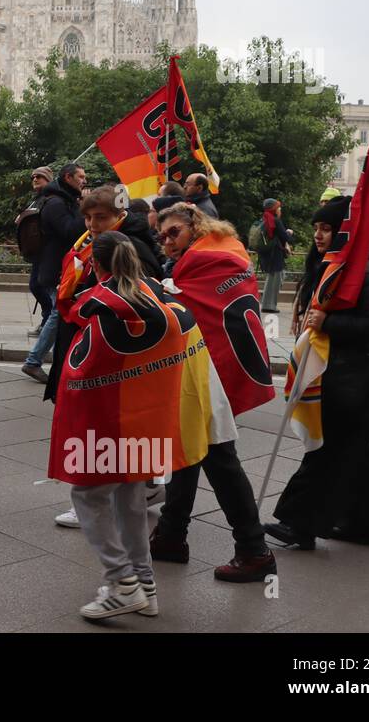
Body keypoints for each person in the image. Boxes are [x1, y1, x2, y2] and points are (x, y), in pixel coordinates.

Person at [48, 231, 209, 621]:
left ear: (98, 266)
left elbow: (79, 340)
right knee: (129, 498)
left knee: (88, 495)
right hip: (148, 417)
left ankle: (122, 582)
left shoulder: (103, 304)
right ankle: (144, 584)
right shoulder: (157, 294)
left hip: (109, 420)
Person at [150, 202, 277, 581]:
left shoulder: (203, 261)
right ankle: (172, 535)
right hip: (206, 369)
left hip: (210, 373)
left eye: (174, 232)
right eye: (162, 236)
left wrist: (163, 293)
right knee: (188, 452)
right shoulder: (225, 252)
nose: (167, 241)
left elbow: (187, 311)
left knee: (219, 458)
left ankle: (254, 550)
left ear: (196, 225)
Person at [265, 194, 369, 550]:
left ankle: (298, 524)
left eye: (327, 228)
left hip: (357, 380)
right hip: (344, 376)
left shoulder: (366, 271)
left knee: (325, 452)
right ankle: (367, 527)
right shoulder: (335, 266)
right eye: (317, 228)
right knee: (356, 454)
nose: (319, 236)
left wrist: (329, 322)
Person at [49, 185, 165, 528]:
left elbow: (137, 296)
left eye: (100, 217)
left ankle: (94, 499)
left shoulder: (127, 246)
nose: (92, 223)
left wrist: (89, 299)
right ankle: (141, 488)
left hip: (108, 349)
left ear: (120, 215)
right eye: (87, 216)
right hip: (90, 338)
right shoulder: (89, 244)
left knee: (95, 425)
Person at [21, 162, 86, 382]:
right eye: (80, 176)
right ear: (68, 178)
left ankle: (55, 361)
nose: (84, 181)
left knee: (61, 313)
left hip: (57, 267)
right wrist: (83, 208)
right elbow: (70, 232)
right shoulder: (56, 203)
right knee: (58, 313)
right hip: (54, 269)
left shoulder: (61, 200)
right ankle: (33, 361)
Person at [19, 165, 55, 338]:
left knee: (39, 286)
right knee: (38, 286)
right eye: (33, 177)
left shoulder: (50, 199)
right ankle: (48, 320)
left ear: (48, 180)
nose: (35, 179)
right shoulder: (37, 199)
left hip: (47, 252)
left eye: (39, 177)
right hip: (38, 252)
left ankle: (50, 320)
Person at [255, 198, 295, 314]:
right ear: (274, 209)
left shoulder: (264, 219)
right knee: (275, 279)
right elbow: (285, 237)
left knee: (273, 278)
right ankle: (269, 305)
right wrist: (289, 232)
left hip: (267, 255)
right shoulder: (274, 220)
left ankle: (268, 304)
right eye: (278, 207)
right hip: (275, 255)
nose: (280, 209)